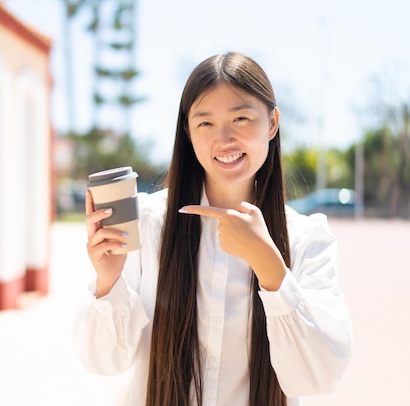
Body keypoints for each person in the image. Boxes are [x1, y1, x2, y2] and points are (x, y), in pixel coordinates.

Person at [76, 52, 353, 406]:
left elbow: (320, 373)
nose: (224, 140)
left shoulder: (305, 237)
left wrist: (268, 265)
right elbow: (104, 361)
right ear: (188, 132)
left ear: (272, 123)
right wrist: (108, 282)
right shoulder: (148, 222)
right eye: (205, 123)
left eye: (241, 118)